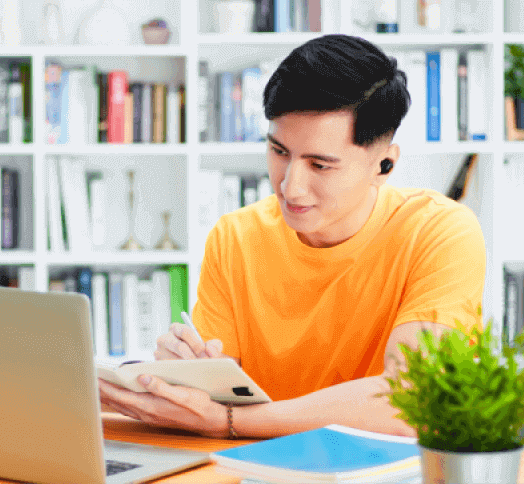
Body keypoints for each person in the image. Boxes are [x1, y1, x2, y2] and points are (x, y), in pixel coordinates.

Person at [99, 34, 486, 440]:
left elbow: (411, 397)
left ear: (384, 164)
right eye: (279, 151)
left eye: (320, 165)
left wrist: (231, 422)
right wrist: (181, 375)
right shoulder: (236, 238)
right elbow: (211, 399)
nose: (290, 187)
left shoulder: (440, 232)